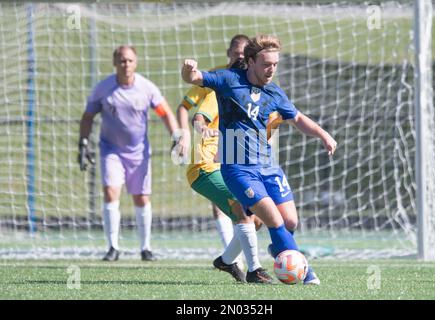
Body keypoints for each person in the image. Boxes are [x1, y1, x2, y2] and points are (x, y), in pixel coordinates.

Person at [181, 34, 337, 285]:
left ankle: (272, 251)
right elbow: (195, 79)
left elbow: (296, 118)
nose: (271, 69)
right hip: (238, 168)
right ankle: (305, 273)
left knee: (289, 222)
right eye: (266, 64)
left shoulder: (273, 91)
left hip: (267, 164)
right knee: (272, 221)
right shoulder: (229, 80)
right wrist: (188, 70)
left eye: (275, 64)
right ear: (251, 61)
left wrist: (323, 135)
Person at [175, 35, 272, 284]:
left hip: (232, 166)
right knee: (241, 211)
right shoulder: (222, 89)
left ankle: (226, 261)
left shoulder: (255, 96)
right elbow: (199, 116)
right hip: (204, 167)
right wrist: (199, 131)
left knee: (258, 218)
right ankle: (255, 270)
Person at [78, 45, 179, 261]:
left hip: (139, 152)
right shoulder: (103, 88)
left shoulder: (147, 88)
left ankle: (145, 247)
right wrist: (83, 143)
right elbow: (87, 116)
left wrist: (176, 137)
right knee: (110, 192)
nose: (126, 65)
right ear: (115, 63)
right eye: (122, 60)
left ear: (136, 63)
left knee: (141, 197)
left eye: (130, 60)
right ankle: (113, 247)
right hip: (110, 150)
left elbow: (165, 113)